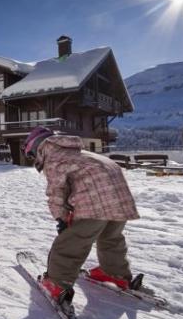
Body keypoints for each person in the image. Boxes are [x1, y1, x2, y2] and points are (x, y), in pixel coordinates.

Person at [22, 127, 141, 306]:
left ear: (37, 148)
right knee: (111, 238)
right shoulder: (79, 153)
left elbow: (56, 192)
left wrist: (60, 218)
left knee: (70, 244)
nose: (34, 160)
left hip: (95, 203)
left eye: (32, 155)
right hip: (120, 200)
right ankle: (115, 273)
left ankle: (56, 283)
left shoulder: (54, 157)